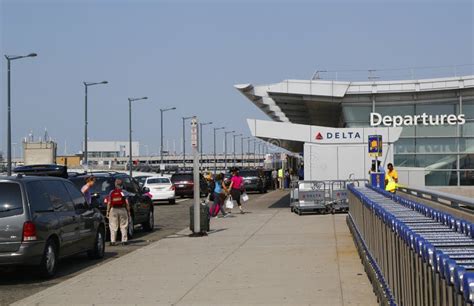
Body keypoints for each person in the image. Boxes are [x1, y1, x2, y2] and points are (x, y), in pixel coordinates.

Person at [106, 179, 131, 246]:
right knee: (123, 225)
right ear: (122, 184)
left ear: (115, 184)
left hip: (113, 209)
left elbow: (109, 203)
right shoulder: (124, 192)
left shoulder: (111, 192)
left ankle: (113, 241)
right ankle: (124, 241)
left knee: (113, 225)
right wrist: (128, 211)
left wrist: (107, 211)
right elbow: (127, 203)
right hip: (122, 209)